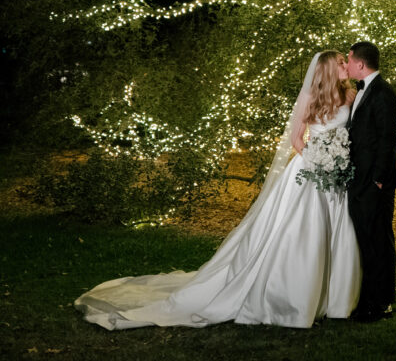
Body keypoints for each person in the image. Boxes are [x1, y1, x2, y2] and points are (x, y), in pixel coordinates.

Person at [75, 51, 361, 329]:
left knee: (335, 228)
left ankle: (331, 295)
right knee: (301, 230)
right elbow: (296, 139)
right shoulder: (310, 98)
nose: (346, 66)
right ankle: (292, 295)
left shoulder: (350, 95)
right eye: (340, 63)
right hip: (309, 171)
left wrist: (336, 160)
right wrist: (315, 159)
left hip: (335, 172)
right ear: (326, 69)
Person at [345, 41, 396, 323]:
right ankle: (370, 300)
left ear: (360, 63)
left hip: (375, 183)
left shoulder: (384, 94)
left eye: (349, 58)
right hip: (360, 180)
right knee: (367, 241)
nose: (346, 63)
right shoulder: (361, 92)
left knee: (379, 240)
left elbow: (388, 141)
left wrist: (379, 180)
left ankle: (381, 303)